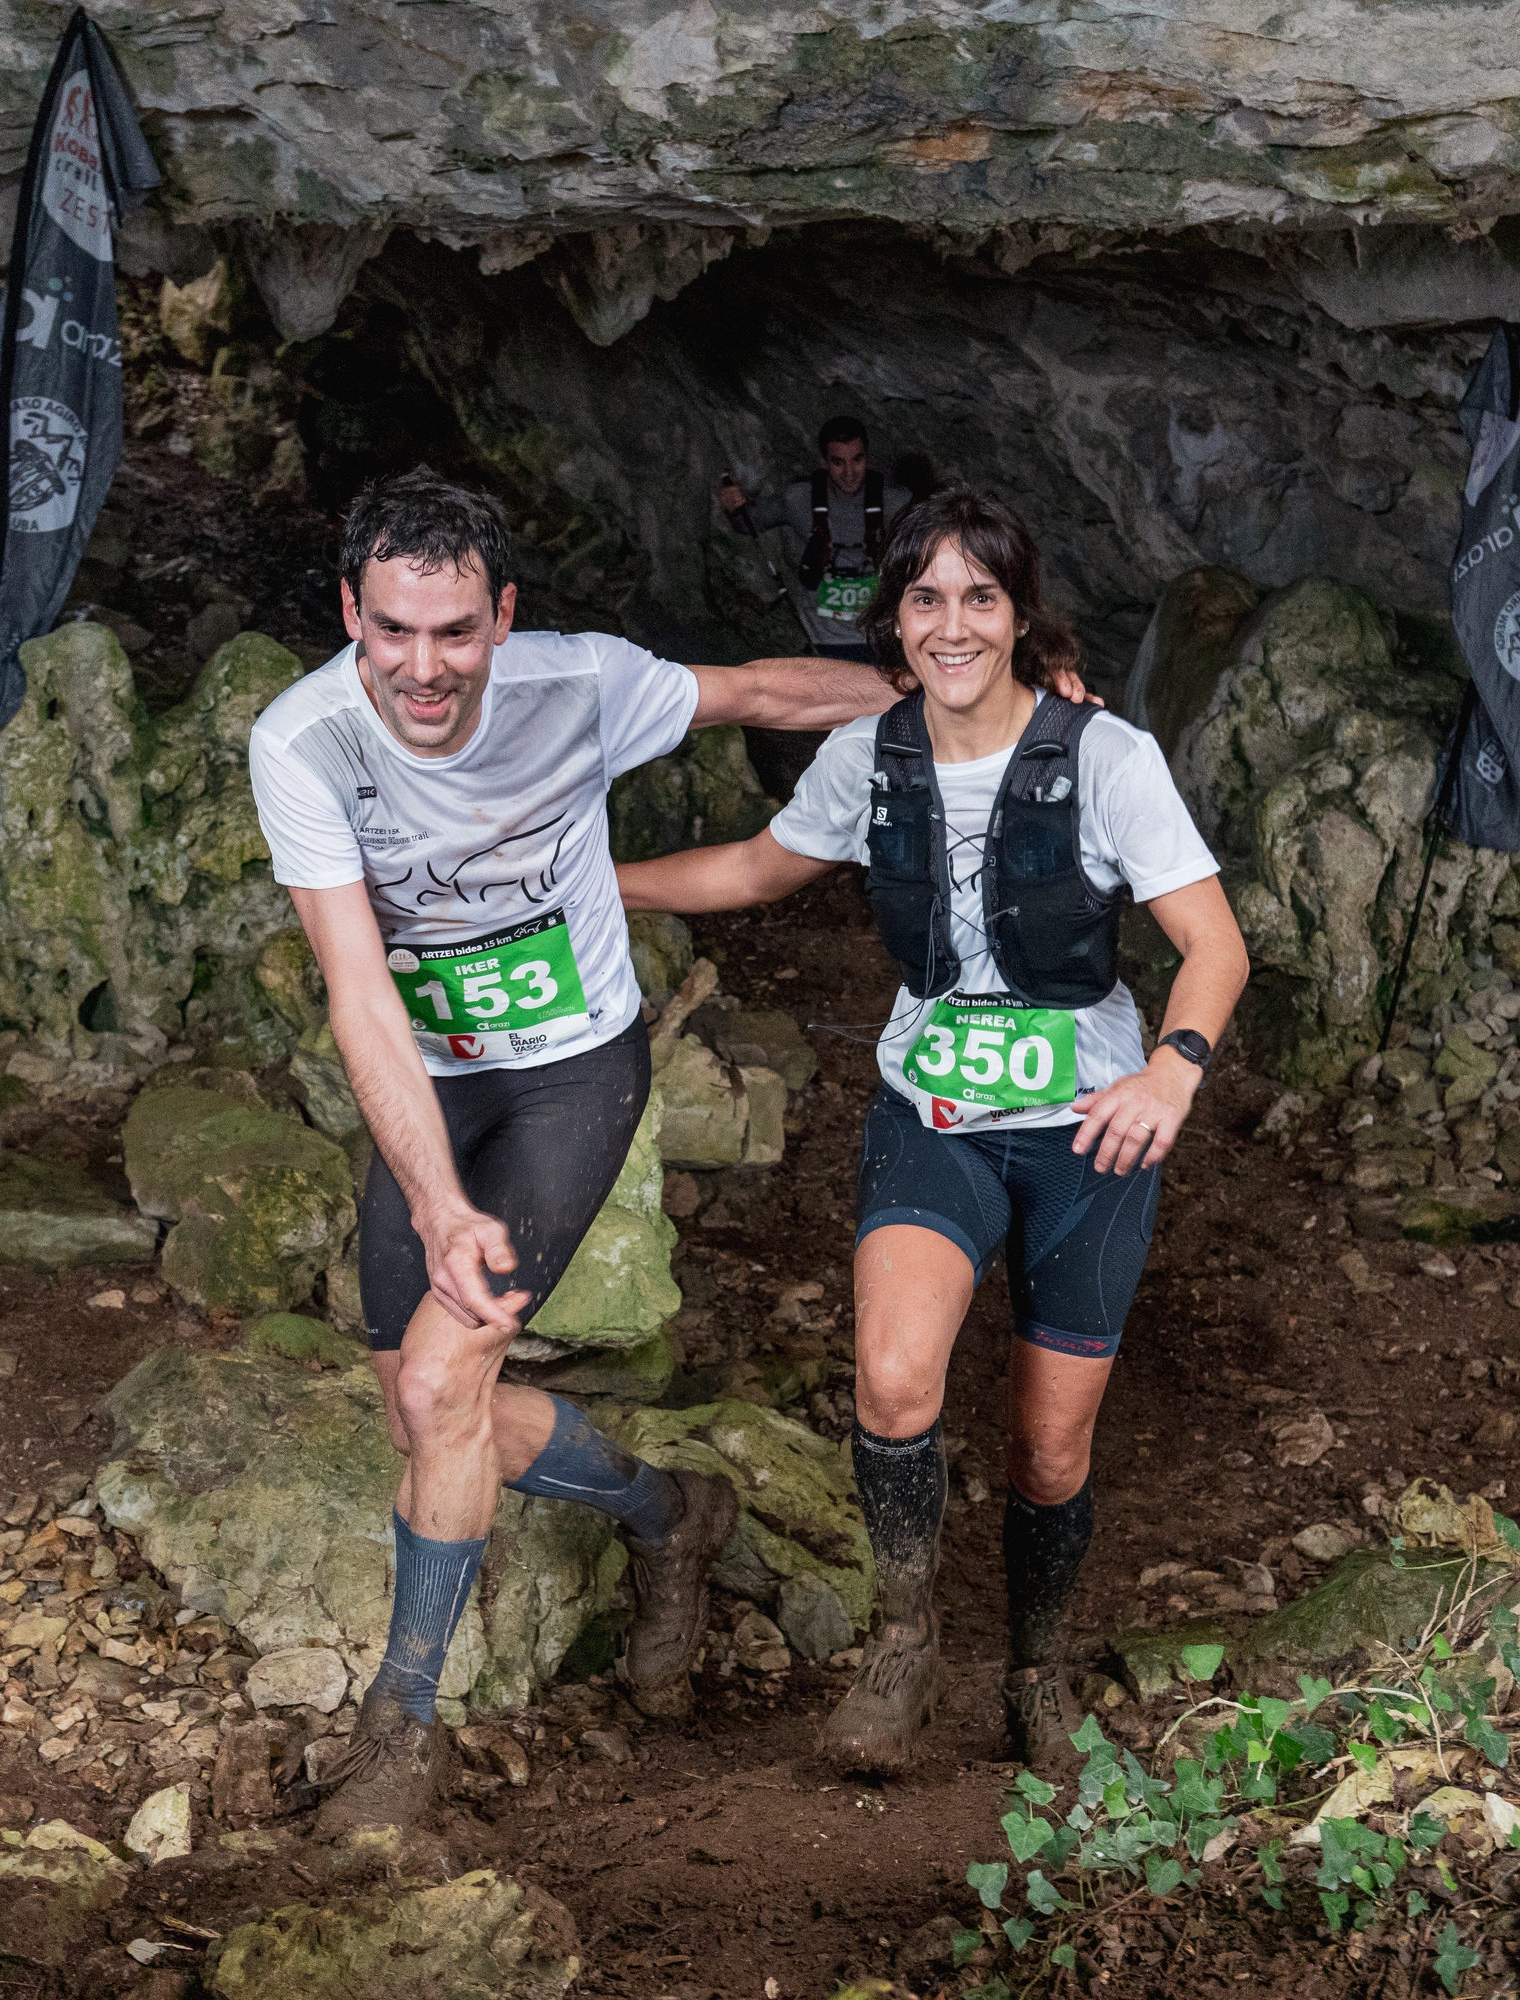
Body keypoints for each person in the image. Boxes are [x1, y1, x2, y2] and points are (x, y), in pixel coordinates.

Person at [244, 468, 922, 1847]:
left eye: (454, 633)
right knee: (421, 1412)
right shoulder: (302, 741)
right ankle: (672, 1512)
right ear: (349, 617)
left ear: (504, 616)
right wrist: (435, 1201)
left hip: (566, 1064)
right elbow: (360, 991)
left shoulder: (583, 686)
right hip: (430, 1082)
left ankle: (400, 1731)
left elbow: (767, 694)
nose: (423, 669)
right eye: (391, 631)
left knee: (444, 1379)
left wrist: (969, 704)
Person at [617, 488, 1249, 1782]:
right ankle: (903, 1639)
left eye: (979, 597)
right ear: (892, 621)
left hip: (1089, 1135)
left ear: (1019, 616)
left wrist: (1172, 1071)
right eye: (925, 598)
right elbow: (750, 873)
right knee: (896, 1381)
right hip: (938, 1117)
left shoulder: (1106, 759)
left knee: (1047, 1445)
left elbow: (1213, 943)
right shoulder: (870, 759)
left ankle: (1035, 1667)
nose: (951, 624)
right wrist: (592, 882)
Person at [717, 415, 915, 663]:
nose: (849, 473)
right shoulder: (798, 499)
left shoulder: (895, 502)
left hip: (882, 638)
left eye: (857, 460)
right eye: (838, 463)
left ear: (867, 459)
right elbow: (747, 523)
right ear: (824, 462)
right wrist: (733, 504)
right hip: (824, 641)